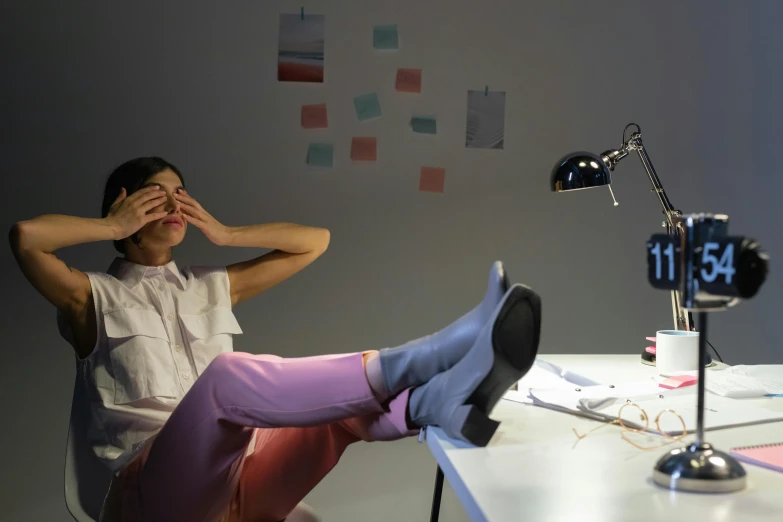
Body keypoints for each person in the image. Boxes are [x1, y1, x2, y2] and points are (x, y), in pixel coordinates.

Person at [9, 157, 542, 522]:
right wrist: (109, 225)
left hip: (238, 489)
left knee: (334, 410)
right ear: (126, 205)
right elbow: (27, 239)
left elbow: (314, 243)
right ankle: (434, 353)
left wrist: (225, 234)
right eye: (155, 197)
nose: (173, 205)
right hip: (151, 499)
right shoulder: (91, 298)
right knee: (226, 381)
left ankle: (435, 403)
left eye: (180, 195)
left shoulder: (210, 286)